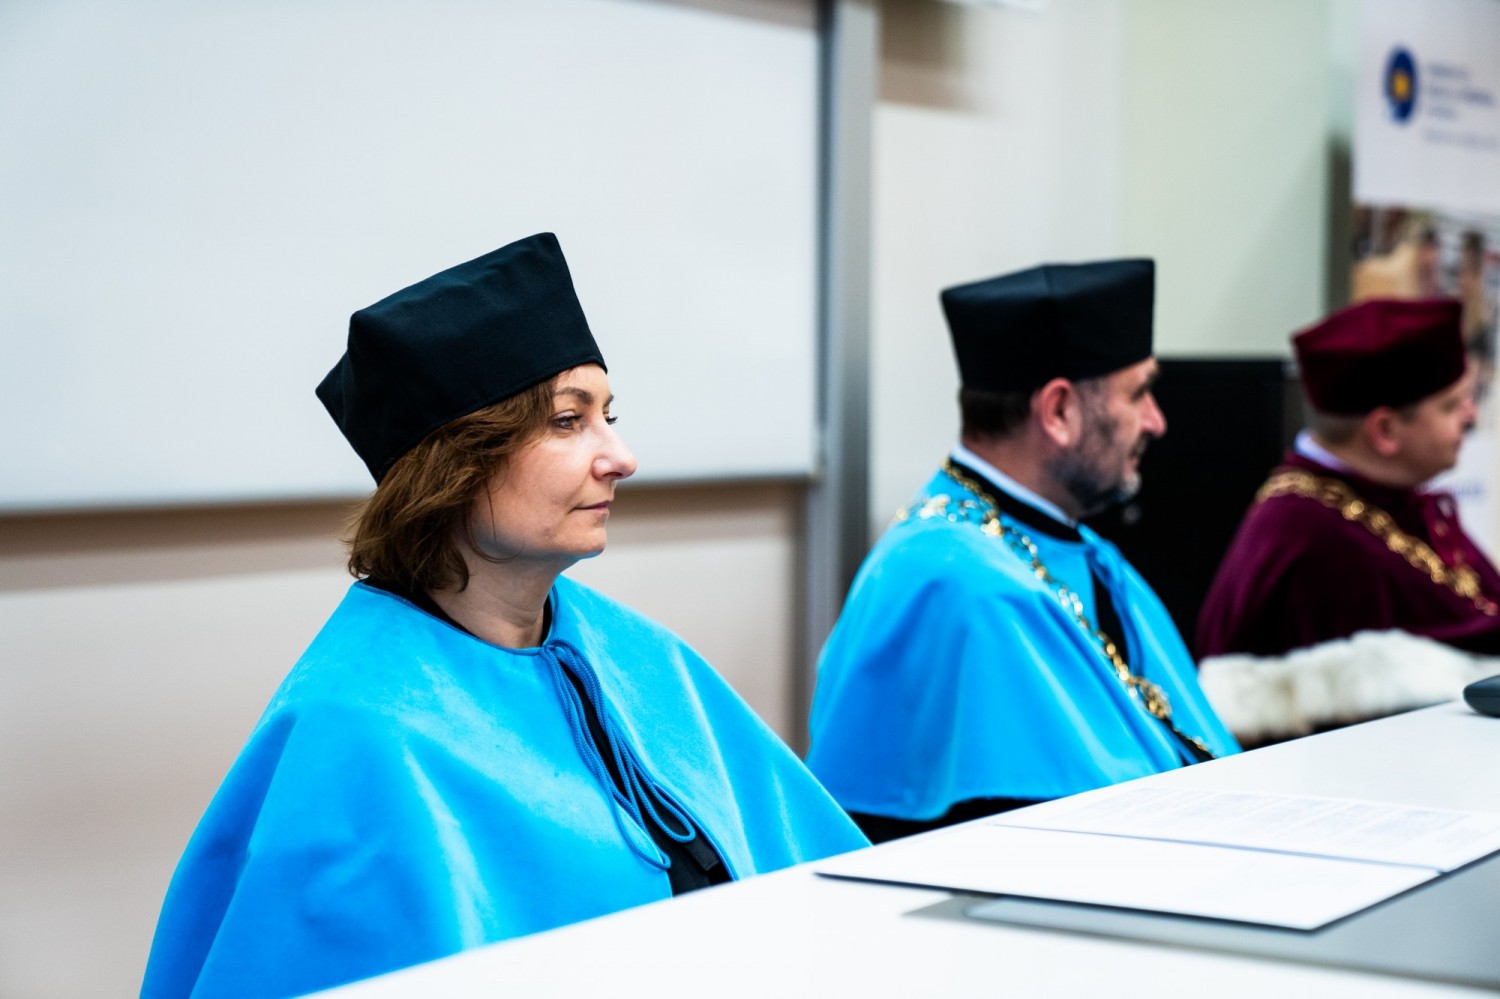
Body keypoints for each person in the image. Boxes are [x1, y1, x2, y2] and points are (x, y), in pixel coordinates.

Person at [140, 233, 866, 998]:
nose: (620, 457)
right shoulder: (357, 730)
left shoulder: (642, 655)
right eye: (568, 421)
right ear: (455, 462)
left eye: (609, 415)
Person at [806, 259, 1238, 843]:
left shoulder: (1085, 552)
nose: (1156, 421)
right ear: (1058, 411)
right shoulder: (951, 581)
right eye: (1139, 393)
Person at [1197, 298, 1500, 744]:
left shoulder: (1398, 496)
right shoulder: (1311, 543)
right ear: (1385, 431)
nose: (1471, 416)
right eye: (1451, 406)